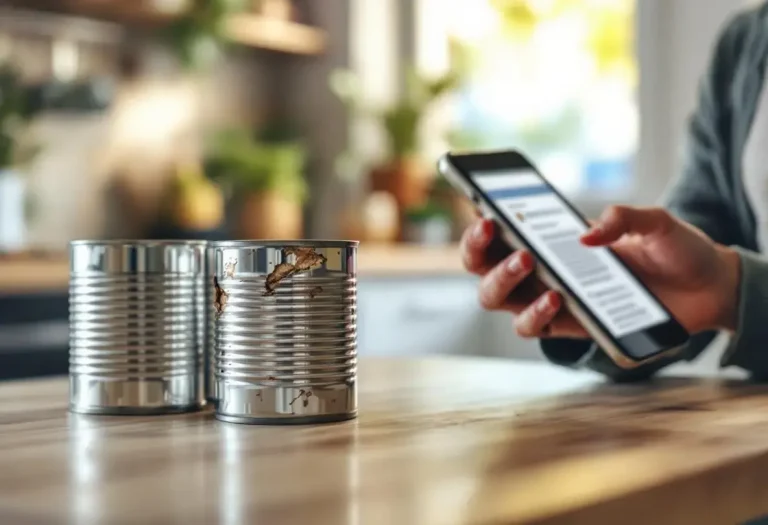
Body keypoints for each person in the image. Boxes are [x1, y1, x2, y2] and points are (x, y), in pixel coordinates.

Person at [461, 3, 768, 382]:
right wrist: (611, 303)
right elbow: (699, 251)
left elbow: (724, 282)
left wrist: (734, 291)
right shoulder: (746, 43)